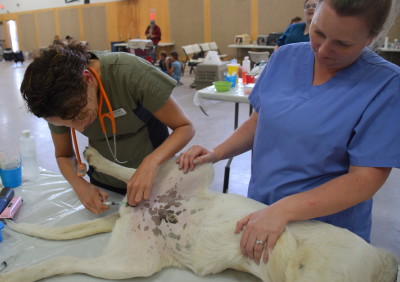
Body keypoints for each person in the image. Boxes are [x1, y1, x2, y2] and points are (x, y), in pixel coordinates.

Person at [177, 0, 399, 265]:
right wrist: (216, 152)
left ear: (371, 38)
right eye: (318, 32)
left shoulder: (386, 85)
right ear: (312, 16)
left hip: (325, 230)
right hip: (261, 210)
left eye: (342, 44)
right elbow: (261, 121)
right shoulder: (285, 57)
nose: (324, 49)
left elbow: (364, 181)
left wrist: (286, 209)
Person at [20, 42, 195, 214]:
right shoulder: (53, 104)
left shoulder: (128, 72)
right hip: (105, 183)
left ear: (87, 79)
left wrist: (151, 162)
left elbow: (185, 127)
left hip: (155, 178)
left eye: (80, 115)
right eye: (66, 124)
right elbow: (63, 154)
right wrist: (80, 185)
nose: (80, 127)